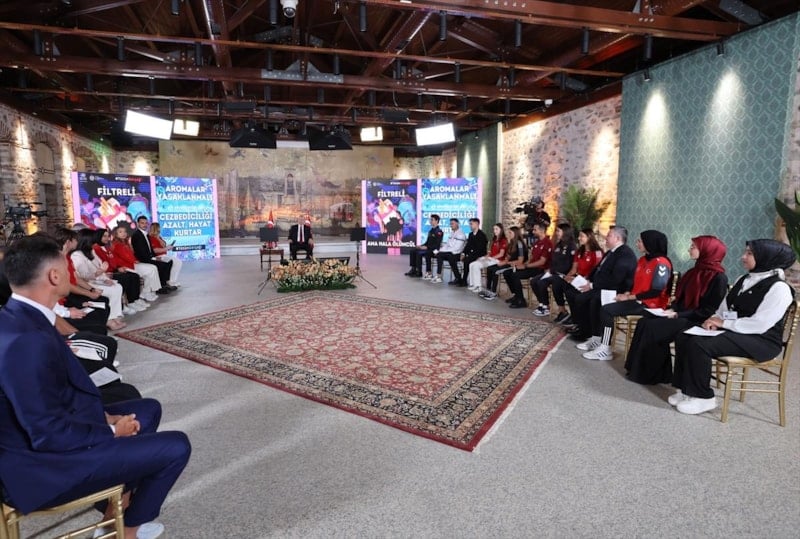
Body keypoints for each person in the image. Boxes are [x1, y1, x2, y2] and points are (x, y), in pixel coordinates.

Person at [0, 234, 191, 539]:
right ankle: (126, 532)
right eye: (64, 266)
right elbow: (47, 432)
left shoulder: (19, 317)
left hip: (52, 436)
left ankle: (113, 514)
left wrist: (105, 417)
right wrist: (111, 431)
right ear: (54, 276)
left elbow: (54, 398)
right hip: (41, 466)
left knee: (147, 410)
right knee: (176, 447)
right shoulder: (26, 341)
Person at [670, 239, 795, 415]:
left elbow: (760, 324)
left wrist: (723, 324)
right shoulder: (743, 279)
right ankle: (685, 389)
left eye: (750, 253)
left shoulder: (779, 288)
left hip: (761, 340)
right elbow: (724, 308)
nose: (743, 257)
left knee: (699, 344)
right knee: (684, 335)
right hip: (737, 331)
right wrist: (714, 320)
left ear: (766, 257)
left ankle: (703, 397)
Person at [625, 236, 728, 385]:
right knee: (644, 322)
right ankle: (646, 371)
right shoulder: (693, 272)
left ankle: (650, 374)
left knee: (654, 328)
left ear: (707, 250)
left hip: (697, 319)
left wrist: (678, 314)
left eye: (693, 247)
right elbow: (680, 299)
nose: (689, 249)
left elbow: (708, 310)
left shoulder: (719, 278)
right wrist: (672, 309)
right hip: (681, 315)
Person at [580, 229, 673, 361]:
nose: (637, 243)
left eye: (640, 241)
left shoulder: (661, 263)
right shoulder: (642, 260)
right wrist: (627, 293)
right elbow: (634, 283)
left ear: (649, 243)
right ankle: (596, 338)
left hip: (650, 304)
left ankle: (605, 348)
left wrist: (629, 297)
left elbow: (656, 291)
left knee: (607, 310)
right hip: (635, 299)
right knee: (597, 300)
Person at [567, 226, 637, 342]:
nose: (606, 238)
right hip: (601, 286)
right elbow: (597, 268)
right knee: (573, 293)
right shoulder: (611, 252)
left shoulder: (625, 254)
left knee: (588, 299)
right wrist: (588, 280)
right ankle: (583, 328)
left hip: (614, 290)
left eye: (609, 235)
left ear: (617, 238)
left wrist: (592, 285)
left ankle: (593, 335)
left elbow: (616, 279)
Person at [53, 227, 119, 332]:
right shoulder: (60, 259)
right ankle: (100, 330)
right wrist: (88, 293)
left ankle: (103, 327)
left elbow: (76, 278)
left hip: (72, 293)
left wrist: (92, 289)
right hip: (67, 297)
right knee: (98, 306)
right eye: (75, 239)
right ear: (68, 242)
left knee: (103, 300)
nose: (77, 241)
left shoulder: (68, 257)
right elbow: (69, 285)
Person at [71, 228, 129, 320]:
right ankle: (110, 318)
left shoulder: (91, 251)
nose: (95, 242)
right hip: (87, 284)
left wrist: (105, 279)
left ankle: (116, 314)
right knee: (112, 290)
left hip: (97, 280)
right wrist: (98, 273)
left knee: (118, 287)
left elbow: (100, 266)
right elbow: (83, 276)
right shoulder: (77, 255)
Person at [552, 228, 604, 325]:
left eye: (581, 236)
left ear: (589, 237)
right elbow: (574, 269)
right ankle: (572, 316)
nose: (579, 238)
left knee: (573, 294)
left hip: (589, 281)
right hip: (578, 279)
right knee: (560, 284)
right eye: (579, 236)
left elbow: (596, 271)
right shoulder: (580, 251)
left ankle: (581, 319)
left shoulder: (597, 252)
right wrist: (567, 277)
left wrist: (584, 279)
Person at [93, 228, 149, 312]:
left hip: (114, 270)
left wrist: (118, 268)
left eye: (108, 236)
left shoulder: (106, 248)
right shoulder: (97, 249)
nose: (107, 238)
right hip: (106, 274)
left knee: (134, 276)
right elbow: (102, 265)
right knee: (126, 278)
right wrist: (114, 269)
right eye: (104, 236)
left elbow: (113, 261)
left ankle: (134, 300)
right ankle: (125, 305)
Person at [504, 220, 553, 308]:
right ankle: (517, 296)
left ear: (542, 231)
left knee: (515, 275)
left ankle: (521, 301)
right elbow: (531, 259)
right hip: (532, 267)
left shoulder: (547, 243)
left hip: (540, 269)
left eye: (535, 230)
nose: (533, 232)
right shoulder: (536, 243)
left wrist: (525, 266)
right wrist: (523, 265)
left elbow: (542, 262)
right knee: (509, 272)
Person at [531, 223, 576, 318]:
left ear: (565, 232)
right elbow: (553, 260)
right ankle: (543, 304)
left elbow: (572, 264)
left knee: (549, 283)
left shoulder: (571, 246)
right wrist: (550, 269)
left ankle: (562, 311)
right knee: (534, 281)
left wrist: (567, 274)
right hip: (553, 272)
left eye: (558, 231)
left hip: (563, 275)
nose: (556, 233)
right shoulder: (558, 245)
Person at [111, 225, 162, 302]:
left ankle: (147, 291)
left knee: (153, 267)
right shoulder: (117, 244)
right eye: (120, 232)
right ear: (116, 234)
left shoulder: (125, 242)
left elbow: (131, 254)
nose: (123, 233)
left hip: (132, 263)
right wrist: (135, 261)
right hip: (127, 266)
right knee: (150, 270)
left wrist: (134, 259)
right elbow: (126, 256)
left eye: (124, 231)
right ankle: (147, 292)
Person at [481, 226, 526, 300]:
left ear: (515, 233)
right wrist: (504, 262)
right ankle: (488, 289)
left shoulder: (519, 244)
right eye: (508, 233)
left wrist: (506, 262)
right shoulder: (511, 243)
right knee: (490, 268)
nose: (509, 234)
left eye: (510, 233)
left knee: (496, 271)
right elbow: (508, 257)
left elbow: (520, 261)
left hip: (515, 265)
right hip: (509, 263)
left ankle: (493, 292)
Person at [131, 216, 174, 293]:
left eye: (146, 223)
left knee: (166, 263)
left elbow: (150, 249)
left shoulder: (145, 234)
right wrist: (153, 258)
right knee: (162, 265)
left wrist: (155, 257)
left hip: (149, 257)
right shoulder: (136, 235)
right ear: (138, 224)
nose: (144, 225)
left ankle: (164, 284)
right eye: (142, 223)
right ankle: (159, 288)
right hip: (143, 260)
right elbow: (141, 252)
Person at [467, 223, 507, 292]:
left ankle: (478, 286)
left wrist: (491, 258)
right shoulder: (494, 239)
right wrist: (484, 257)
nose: (494, 231)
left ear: (501, 230)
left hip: (497, 260)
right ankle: (473, 284)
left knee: (476, 266)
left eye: (496, 229)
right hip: (491, 258)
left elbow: (501, 254)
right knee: (472, 264)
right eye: (494, 229)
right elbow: (491, 252)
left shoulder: (503, 240)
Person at [405, 214, 443, 278]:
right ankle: (413, 269)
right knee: (413, 251)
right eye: (430, 220)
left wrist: (427, 247)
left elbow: (437, 245)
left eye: (432, 220)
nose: (430, 221)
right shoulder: (431, 231)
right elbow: (427, 242)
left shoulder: (439, 231)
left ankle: (419, 271)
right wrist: (421, 246)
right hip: (428, 248)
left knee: (419, 253)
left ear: (436, 221)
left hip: (434, 250)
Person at [431, 218, 467, 284]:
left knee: (450, 257)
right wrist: (440, 250)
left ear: (457, 224)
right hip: (450, 253)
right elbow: (447, 245)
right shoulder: (451, 233)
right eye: (450, 224)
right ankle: (439, 276)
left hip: (458, 253)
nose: (451, 225)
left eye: (452, 224)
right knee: (439, 254)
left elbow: (456, 248)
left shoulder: (461, 234)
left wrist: (443, 251)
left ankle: (458, 278)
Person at [454, 218, 487, 286]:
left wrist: (469, 255)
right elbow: (468, 246)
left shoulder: (482, 235)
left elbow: (480, 249)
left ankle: (464, 280)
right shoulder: (471, 234)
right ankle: (459, 278)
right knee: (456, 258)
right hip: (471, 254)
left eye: (471, 224)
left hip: (479, 255)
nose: (470, 226)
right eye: (469, 224)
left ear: (477, 224)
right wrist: (463, 253)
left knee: (467, 261)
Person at [147, 222, 182, 287]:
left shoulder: (158, 237)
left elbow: (163, 245)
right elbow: (155, 250)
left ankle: (171, 280)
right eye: (158, 228)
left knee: (178, 262)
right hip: (157, 256)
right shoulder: (149, 238)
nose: (159, 230)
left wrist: (158, 238)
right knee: (177, 262)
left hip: (163, 255)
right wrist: (166, 248)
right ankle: (171, 281)